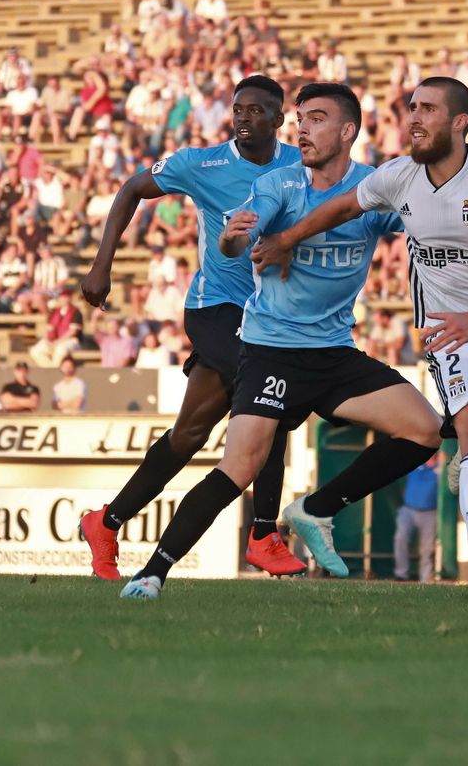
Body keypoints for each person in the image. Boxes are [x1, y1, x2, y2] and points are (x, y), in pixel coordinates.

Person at [255, 77, 468, 610]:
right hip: (451, 333)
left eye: (427, 109)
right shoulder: (398, 176)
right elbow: (342, 208)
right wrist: (285, 239)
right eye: (410, 108)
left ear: (460, 122)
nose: (413, 119)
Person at [119, 83, 440, 601]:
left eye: (316, 118)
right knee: (240, 466)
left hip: (334, 354)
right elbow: (240, 235)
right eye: (300, 119)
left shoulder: (372, 188)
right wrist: (234, 237)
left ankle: (315, 510)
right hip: (271, 350)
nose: (302, 129)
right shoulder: (280, 183)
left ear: (348, 131)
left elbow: (421, 224)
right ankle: (152, 572)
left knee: (424, 430)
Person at [78, 76, 305, 579]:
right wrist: (102, 265)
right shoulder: (202, 163)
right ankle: (265, 533)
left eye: (256, 111)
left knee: (189, 435)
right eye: (237, 109)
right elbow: (133, 187)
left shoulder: (298, 163)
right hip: (216, 309)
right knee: (271, 395)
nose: (244, 118)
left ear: (278, 117)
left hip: (269, 314)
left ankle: (106, 521)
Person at [393, 454, 439, 582]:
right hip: (408, 509)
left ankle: (425, 578)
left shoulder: (441, 468)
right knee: (400, 538)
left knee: (427, 547)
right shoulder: (416, 462)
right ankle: (401, 574)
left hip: (430, 512)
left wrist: (441, 463)